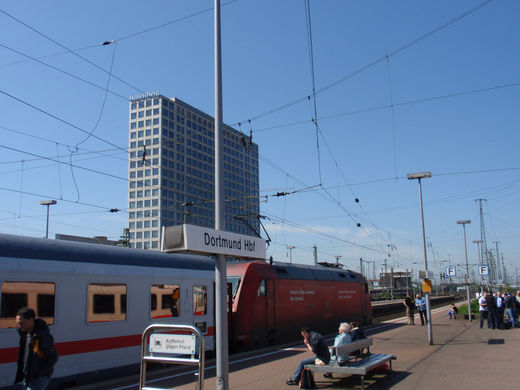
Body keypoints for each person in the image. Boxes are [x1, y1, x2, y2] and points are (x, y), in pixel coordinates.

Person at [14, 307, 58, 390]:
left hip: (38, 378)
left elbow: (53, 356)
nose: (19, 325)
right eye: (18, 323)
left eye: (22, 323)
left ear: (31, 320)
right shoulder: (26, 334)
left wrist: (40, 373)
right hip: (28, 377)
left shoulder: (42, 336)